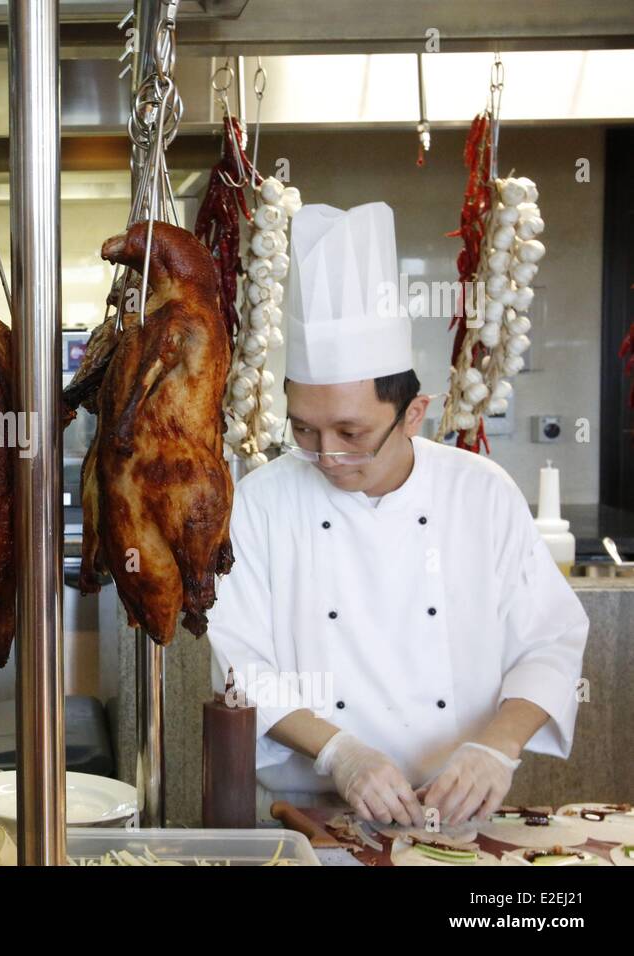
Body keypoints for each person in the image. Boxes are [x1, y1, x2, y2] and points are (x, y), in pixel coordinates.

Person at [206, 201, 588, 827]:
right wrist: (340, 752)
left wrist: (497, 746)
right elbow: (241, 665)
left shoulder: (481, 495)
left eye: (351, 432)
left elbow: (550, 643)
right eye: (304, 429)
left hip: (459, 810)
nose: (325, 456)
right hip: (307, 817)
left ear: (414, 414)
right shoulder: (261, 502)